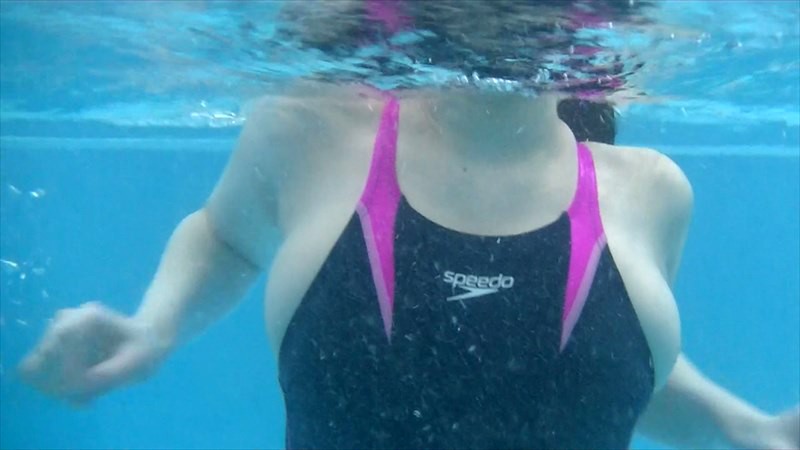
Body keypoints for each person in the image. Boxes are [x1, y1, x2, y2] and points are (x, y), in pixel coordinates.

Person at [18, 2, 800, 449]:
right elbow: (227, 235)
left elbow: (614, 371)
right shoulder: (312, 134)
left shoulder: (652, 194)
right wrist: (153, 327)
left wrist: (750, 431)